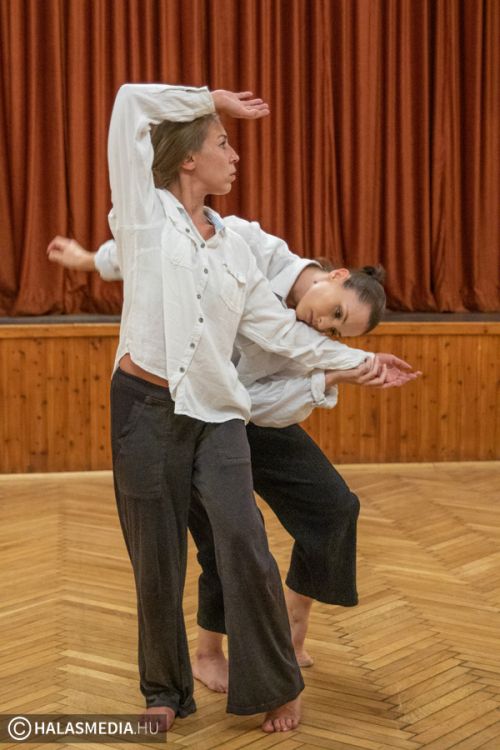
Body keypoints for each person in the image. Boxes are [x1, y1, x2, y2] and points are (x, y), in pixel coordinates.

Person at [48, 219, 419, 694]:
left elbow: (264, 405)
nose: (325, 326)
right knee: (227, 535)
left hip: (252, 416)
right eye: (336, 312)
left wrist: (329, 376)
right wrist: (89, 260)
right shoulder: (253, 245)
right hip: (197, 413)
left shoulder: (320, 345)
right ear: (336, 275)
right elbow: (158, 247)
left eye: (338, 330)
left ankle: (293, 624)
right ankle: (208, 653)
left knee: (334, 508)